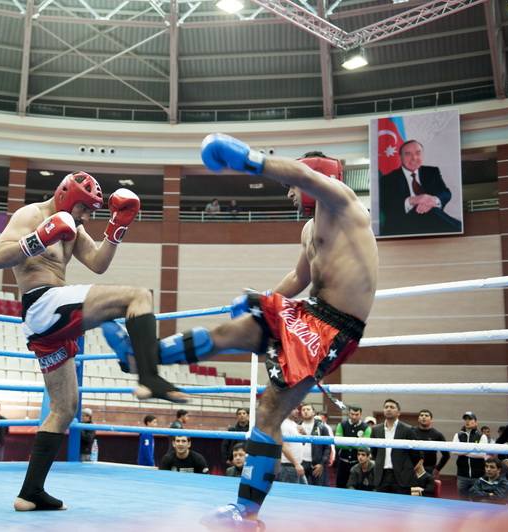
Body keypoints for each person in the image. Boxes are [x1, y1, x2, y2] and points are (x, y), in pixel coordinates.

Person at [104, 134, 378, 531]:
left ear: (315, 179)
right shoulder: (309, 228)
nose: (289, 194)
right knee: (231, 330)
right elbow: (300, 276)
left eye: (293, 188)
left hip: (333, 329)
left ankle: (246, 515)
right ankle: (139, 357)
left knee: (268, 410)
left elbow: (302, 174)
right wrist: (267, 299)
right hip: (309, 313)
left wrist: (249, 160)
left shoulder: (344, 204)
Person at [0, 171, 184, 512]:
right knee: (137, 296)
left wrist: (117, 227)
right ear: (66, 197)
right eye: (85, 209)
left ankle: (30, 492)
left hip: (49, 321)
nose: (87, 216)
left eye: (94, 211)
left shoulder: (74, 228)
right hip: (41, 302)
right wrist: (36, 239)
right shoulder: (31, 215)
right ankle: (147, 374)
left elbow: (97, 264)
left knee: (64, 409)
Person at [379, 139, 461, 236]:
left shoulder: (431, 172)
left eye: (418, 153)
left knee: (430, 211)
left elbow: (445, 193)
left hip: (431, 223)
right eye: (408, 154)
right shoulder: (388, 179)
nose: (414, 158)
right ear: (400, 157)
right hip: (403, 227)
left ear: (423, 155)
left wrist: (431, 201)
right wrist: (413, 200)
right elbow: (388, 207)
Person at [370, 399, 420, 495]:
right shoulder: (376, 429)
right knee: (381, 507)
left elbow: (415, 454)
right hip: (382, 475)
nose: (388, 409)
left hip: (401, 476)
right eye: (386, 407)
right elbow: (374, 452)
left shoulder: (408, 429)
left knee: (402, 507)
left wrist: (405, 466)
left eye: (392, 407)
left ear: (399, 412)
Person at [334, 404, 371, 488]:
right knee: (340, 488)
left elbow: (364, 447)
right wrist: (356, 443)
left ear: (361, 414)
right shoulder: (342, 425)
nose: (354, 417)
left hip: (358, 463)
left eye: (357, 414)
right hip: (343, 463)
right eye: (352, 414)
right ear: (349, 413)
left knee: (357, 488)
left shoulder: (366, 428)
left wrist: (347, 442)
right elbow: (339, 443)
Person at [454, 411, 488, 500]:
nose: (467, 421)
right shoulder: (458, 435)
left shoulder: (482, 436)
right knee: (463, 502)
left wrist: (463, 450)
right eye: (465, 419)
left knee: (478, 500)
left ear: (476, 422)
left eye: (470, 419)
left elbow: (481, 454)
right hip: (462, 476)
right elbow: (454, 451)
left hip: (478, 475)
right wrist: (473, 450)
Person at [298, 403, 331, 487]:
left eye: (308, 409)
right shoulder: (297, 426)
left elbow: (327, 448)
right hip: (301, 463)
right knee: (300, 489)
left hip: (317, 464)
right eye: (303, 410)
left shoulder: (322, 427)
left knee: (319, 490)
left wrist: (322, 464)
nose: (305, 411)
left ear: (314, 412)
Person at [412, 409, 451, 479]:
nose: (423, 417)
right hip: (413, 468)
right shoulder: (412, 432)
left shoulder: (437, 435)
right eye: (421, 415)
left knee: (428, 489)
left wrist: (437, 469)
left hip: (429, 469)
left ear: (431, 419)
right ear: (418, 419)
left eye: (426, 415)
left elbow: (446, 455)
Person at [277, 409, 307, 485]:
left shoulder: (294, 424)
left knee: (304, 491)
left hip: (295, 465)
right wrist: (296, 464)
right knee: (292, 494)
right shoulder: (284, 425)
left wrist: (304, 433)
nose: (297, 411)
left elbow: (301, 444)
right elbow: (284, 447)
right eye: (294, 408)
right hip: (288, 466)